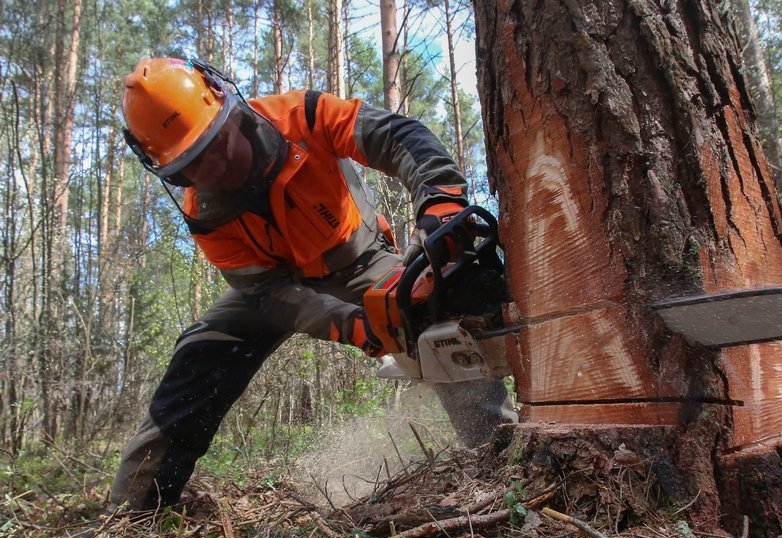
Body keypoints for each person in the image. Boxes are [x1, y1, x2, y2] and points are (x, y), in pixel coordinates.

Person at [111, 57, 516, 511]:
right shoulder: (205, 215)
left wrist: (439, 199)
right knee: (201, 350)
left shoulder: (300, 116)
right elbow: (269, 296)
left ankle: (501, 457)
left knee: (436, 306)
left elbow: (397, 136)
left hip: (359, 258)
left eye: (215, 143)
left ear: (227, 107)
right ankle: (133, 511)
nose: (215, 167)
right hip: (275, 286)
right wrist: (351, 325)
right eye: (192, 164)